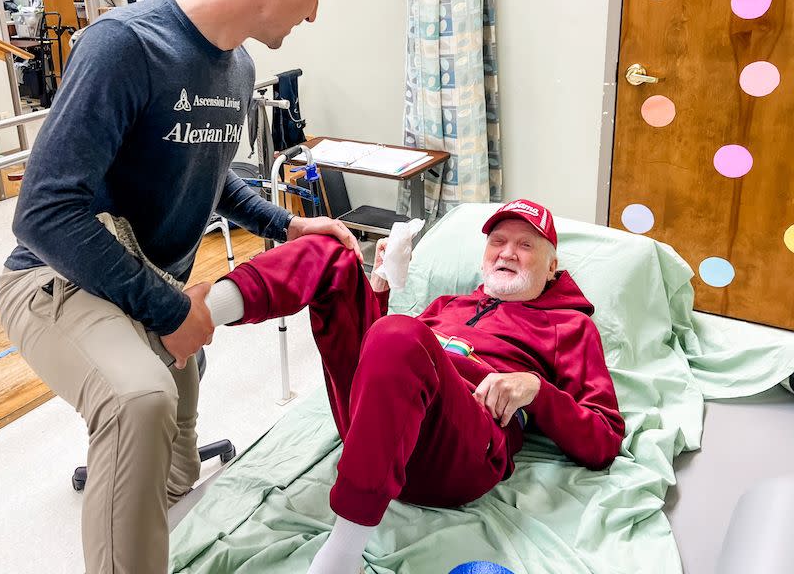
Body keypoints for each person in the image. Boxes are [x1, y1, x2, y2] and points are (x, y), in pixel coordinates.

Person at [0, 0, 359, 574]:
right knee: (140, 400)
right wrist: (167, 309)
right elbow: (43, 209)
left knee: (173, 470)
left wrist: (288, 226)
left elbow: (211, 173)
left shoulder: (239, 64)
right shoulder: (125, 46)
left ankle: (152, 527)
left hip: (149, 281)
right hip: (59, 275)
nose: (314, 15)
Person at [211, 198, 626, 574]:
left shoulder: (570, 326)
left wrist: (535, 389)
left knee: (399, 334)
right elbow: (384, 365)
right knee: (332, 254)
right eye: (497, 241)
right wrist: (378, 286)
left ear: (552, 267)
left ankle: (341, 556)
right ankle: (201, 312)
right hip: (376, 425)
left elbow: (604, 437)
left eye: (525, 245)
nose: (507, 252)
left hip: (460, 448)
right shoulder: (451, 304)